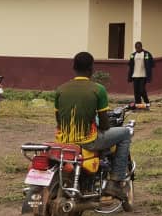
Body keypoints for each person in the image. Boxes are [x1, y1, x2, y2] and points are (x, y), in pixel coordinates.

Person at [55, 51, 130, 200]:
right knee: (125, 133)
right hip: (88, 141)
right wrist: (104, 126)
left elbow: (58, 119)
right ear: (91, 69)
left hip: (63, 141)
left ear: (74, 68)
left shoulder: (60, 89)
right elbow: (104, 123)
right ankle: (115, 182)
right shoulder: (98, 89)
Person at [126, 41, 155, 109]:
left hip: (143, 75)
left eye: (139, 47)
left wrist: (148, 72)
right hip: (135, 76)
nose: (137, 49)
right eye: (136, 48)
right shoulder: (133, 55)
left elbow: (152, 64)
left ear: (141, 47)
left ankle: (147, 102)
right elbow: (130, 65)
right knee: (136, 92)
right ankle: (138, 105)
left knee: (142, 90)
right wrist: (129, 76)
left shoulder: (146, 54)